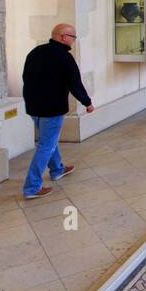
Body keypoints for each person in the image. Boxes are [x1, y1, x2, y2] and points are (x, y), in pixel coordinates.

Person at [21, 23, 94, 200]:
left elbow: (25, 76)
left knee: (48, 139)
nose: (74, 41)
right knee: (46, 144)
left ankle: (57, 169)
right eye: (73, 37)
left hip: (33, 106)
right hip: (52, 108)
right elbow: (75, 83)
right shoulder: (64, 57)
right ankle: (32, 187)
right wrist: (87, 103)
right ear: (63, 37)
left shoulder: (36, 52)